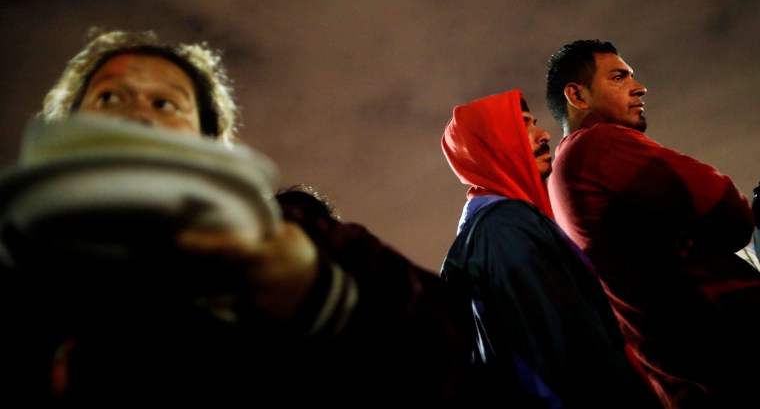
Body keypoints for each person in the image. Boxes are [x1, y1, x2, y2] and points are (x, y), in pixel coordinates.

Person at [0, 28, 473, 405]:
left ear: (206, 136)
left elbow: (453, 367)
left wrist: (317, 296)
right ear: (69, 123)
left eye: (165, 103)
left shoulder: (309, 238)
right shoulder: (18, 253)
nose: (137, 117)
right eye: (110, 97)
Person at [545, 39, 760, 408]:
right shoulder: (596, 144)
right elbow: (728, 208)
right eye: (618, 77)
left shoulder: (566, 168)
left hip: (685, 370)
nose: (639, 86)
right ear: (577, 96)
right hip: (724, 350)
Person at [439, 89, 661, 407]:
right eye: (523, 126)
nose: (544, 134)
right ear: (493, 144)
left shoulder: (497, 226)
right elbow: (561, 355)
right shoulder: (505, 226)